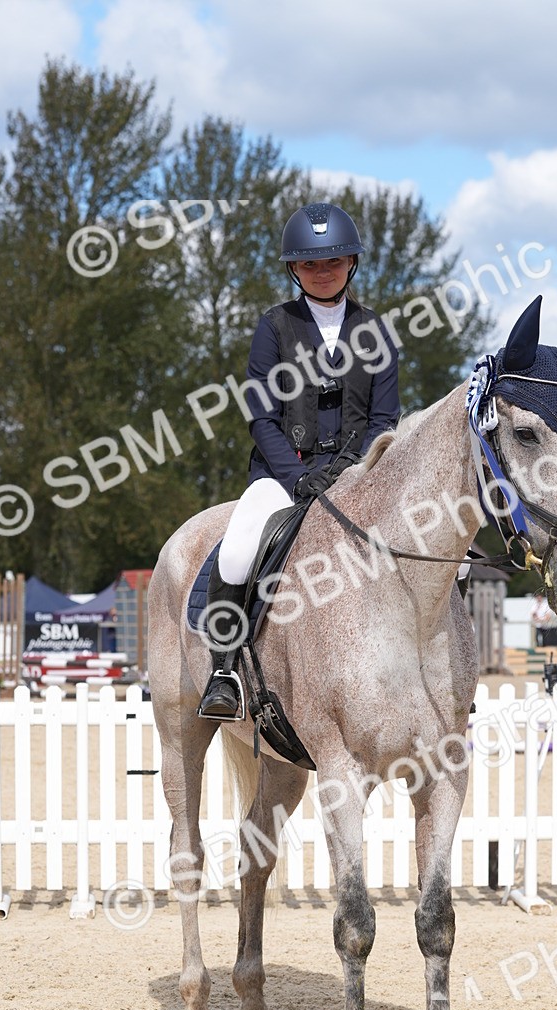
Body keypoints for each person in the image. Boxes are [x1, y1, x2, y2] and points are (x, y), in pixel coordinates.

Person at [198, 201, 400, 720]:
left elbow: (385, 418)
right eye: (310, 264)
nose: (323, 272)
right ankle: (223, 671)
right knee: (239, 548)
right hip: (282, 476)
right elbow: (260, 418)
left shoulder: (374, 330)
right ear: (294, 269)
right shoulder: (275, 327)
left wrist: (352, 471)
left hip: (359, 478)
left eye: (333, 261)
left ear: (352, 263)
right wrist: (299, 475)